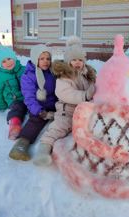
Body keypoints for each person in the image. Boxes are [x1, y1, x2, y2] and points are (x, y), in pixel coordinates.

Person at [33, 36, 96, 166]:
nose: (77, 62)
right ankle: (43, 150)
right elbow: (66, 94)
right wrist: (85, 96)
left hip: (84, 110)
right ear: (68, 62)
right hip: (67, 110)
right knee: (59, 128)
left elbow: (94, 88)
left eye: (80, 60)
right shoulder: (64, 76)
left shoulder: (86, 75)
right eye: (73, 60)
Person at [8, 44, 57, 161]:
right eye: (42, 58)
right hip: (39, 107)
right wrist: (40, 112)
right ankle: (21, 145)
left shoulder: (53, 72)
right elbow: (29, 98)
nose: (45, 61)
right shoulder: (29, 76)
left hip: (55, 104)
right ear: (35, 59)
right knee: (35, 121)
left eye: (48, 58)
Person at [0, 45, 26, 137]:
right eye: (3, 61)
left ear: (14, 57)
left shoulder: (23, 69)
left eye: (9, 58)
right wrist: (1, 106)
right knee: (17, 108)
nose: (8, 62)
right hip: (14, 100)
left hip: (27, 96)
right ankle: (14, 124)